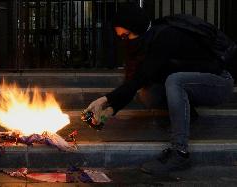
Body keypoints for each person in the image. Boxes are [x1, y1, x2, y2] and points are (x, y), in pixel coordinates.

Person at [84, 3, 236, 175]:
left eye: (126, 35)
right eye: (121, 38)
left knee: (174, 80)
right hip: (190, 84)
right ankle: (188, 115)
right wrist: (109, 111)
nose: (124, 41)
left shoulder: (165, 36)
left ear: (137, 28)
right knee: (149, 93)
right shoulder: (143, 43)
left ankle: (180, 152)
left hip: (218, 82)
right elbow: (135, 82)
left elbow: (141, 76)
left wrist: (104, 99)